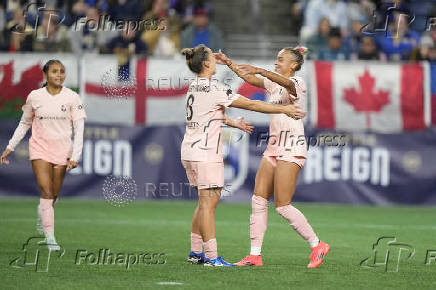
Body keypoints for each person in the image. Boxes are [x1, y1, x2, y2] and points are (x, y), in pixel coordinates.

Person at [181, 44, 306, 267]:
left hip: (188, 151)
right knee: (209, 205)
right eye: (212, 57)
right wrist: (284, 109)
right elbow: (250, 104)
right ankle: (212, 258)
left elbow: (208, 114)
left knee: (202, 204)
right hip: (205, 153)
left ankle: (195, 252)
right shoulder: (215, 88)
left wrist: (232, 122)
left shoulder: (194, 86)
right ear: (208, 64)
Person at [215, 47, 330, 268]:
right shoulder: (273, 83)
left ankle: (317, 245)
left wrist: (261, 70)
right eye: (276, 59)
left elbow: (285, 84)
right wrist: (229, 62)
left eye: (281, 59)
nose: (276, 62)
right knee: (258, 200)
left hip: (292, 146)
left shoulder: (298, 83)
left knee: (282, 205)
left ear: (294, 65)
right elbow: (247, 77)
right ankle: (254, 255)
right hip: (274, 147)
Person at [0, 60, 86, 250]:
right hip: (39, 148)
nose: (59, 75)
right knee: (46, 191)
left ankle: (44, 209)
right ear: (46, 74)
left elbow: (79, 130)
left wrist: (75, 157)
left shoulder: (72, 97)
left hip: (63, 150)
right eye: (55, 71)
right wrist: (10, 146)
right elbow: (24, 123)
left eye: (62, 71)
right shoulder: (35, 96)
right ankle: (50, 237)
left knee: (54, 194)